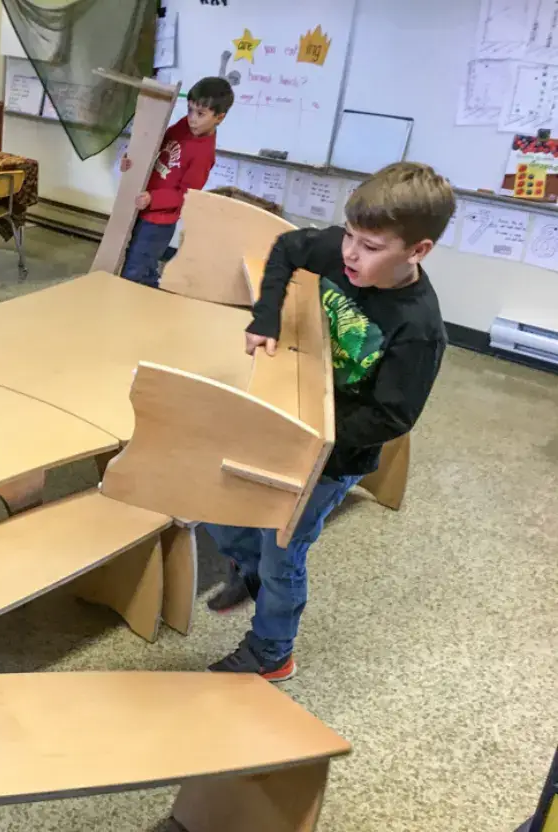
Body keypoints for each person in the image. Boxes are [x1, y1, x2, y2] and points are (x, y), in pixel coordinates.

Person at [204, 161, 454, 681]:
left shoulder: (418, 329)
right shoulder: (343, 251)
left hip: (333, 457)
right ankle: (249, 571)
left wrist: (313, 434)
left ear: (418, 250)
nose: (349, 253)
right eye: (349, 234)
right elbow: (287, 250)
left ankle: (272, 650)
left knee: (283, 550)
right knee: (217, 500)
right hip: (290, 416)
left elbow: (392, 416)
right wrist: (266, 315)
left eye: (369, 245)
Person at [118, 76, 234, 287]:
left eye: (201, 114)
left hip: (158, 222)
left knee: (136, 272)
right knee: (131, 263)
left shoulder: (203, 154)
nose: (192, 118)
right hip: (141, 207)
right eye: (190, 110)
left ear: (220, 117)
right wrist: (131, 158)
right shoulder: (183, 127)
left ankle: (139, 309)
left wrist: (153, 198)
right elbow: (155, 143)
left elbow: (185, 194)